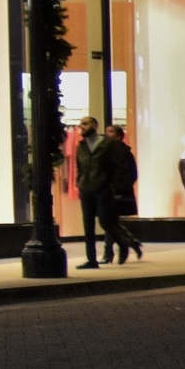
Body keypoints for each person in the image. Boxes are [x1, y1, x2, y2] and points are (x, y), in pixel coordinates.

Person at [98, 123, 143, 263]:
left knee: (109, 221)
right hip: (109, 190)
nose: (107, 134)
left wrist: (119, 188)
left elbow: (131, 173)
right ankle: (130, 242)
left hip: (118, 191)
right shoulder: (105, 150)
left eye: (111, 132)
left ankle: (109, 252)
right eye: (106, 131)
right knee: (110, 221)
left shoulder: (123, 151)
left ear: (118, 135)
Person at [71, 115, 107, 270]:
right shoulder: (81, 147)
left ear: (95, 125)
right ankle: (91, 259)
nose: (81, 127)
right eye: (80, 124)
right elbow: (79, 167)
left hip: (103, 189)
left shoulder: (106, 144)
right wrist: (80, 183)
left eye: (85, 124)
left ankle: (124, 244)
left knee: (107, 222)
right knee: (88, 225)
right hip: (86, 190)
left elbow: (117, 166)